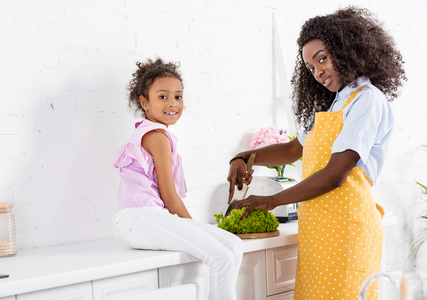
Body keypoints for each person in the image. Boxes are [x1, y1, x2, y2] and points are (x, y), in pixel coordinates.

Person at [226, 7, 406, 300]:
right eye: (310, 67)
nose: (318, 72)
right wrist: (246, 156)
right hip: (319, 228)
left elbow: (335, 175)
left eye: (322, 58)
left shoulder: (367, 100)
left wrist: (270, 201)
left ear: (346, 49)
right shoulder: (336, 103)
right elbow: (295, 149)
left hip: (347, 228)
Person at [113, 58, 243, 300]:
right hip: (139, 217)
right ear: (144, 102)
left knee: (234, 245)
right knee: (221, 256)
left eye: (178, 96)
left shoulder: (156, 133)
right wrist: (195, 227)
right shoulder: (155, 136)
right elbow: (170, 198)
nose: (172, 103)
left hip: (148, 216)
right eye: (162, 96)